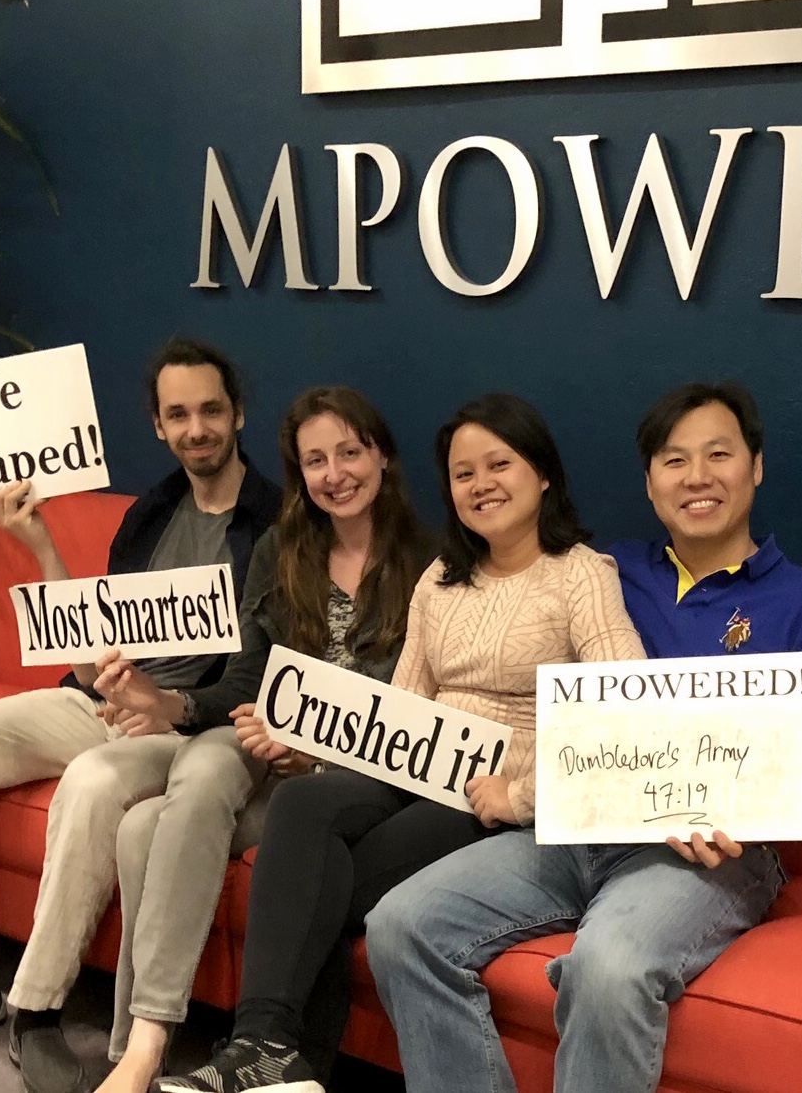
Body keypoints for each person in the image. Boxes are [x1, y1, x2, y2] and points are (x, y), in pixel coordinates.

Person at [365, 382, 802, 1093]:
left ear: (755, 466)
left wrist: (719, 811)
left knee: (607, 967)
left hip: (708, 854)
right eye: (674, 460)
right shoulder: (611, 573)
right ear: (650, 481)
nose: (696, 477)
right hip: (576, 828)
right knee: (400, 925)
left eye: (718, 455)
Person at [154, 393, 646, 1093]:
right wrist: (312, 746)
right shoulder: (439, 581)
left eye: (499, 465)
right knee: (302, 806)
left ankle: (276, 1062)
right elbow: (402, 710)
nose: (481, 485)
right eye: (463, 473)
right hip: (422, 763)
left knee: (329, 883)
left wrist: (523, 791)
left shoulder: (581, 574)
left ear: (542, 475)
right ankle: (263, 1045)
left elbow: (620, 709)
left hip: (497, 792)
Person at [0, 339, 282, 1093]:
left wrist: (167, 707)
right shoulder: (150, 514)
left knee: (92, 781)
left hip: (185, 725)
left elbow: (256, 674)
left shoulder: (274, 524)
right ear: (158, 426)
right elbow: (89, 653)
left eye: (210, 410)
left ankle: (37, 1010)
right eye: (178, 415)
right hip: (104, 701)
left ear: (238, 414)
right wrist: (40, 544)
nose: (196, 428)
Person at [88, 386, 436, 1093]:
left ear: (382, 457)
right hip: (281, 771)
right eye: (315, 460)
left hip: (371, 781)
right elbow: (246, 680)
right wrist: (168, 703)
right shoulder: (282, 549)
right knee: (142, 825)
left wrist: (315, 747)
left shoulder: (431, 560)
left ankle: (243, 1055)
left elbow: (419, 711)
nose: (334, 474)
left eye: (349, 452)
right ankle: (143, 1046)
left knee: (162, 824)